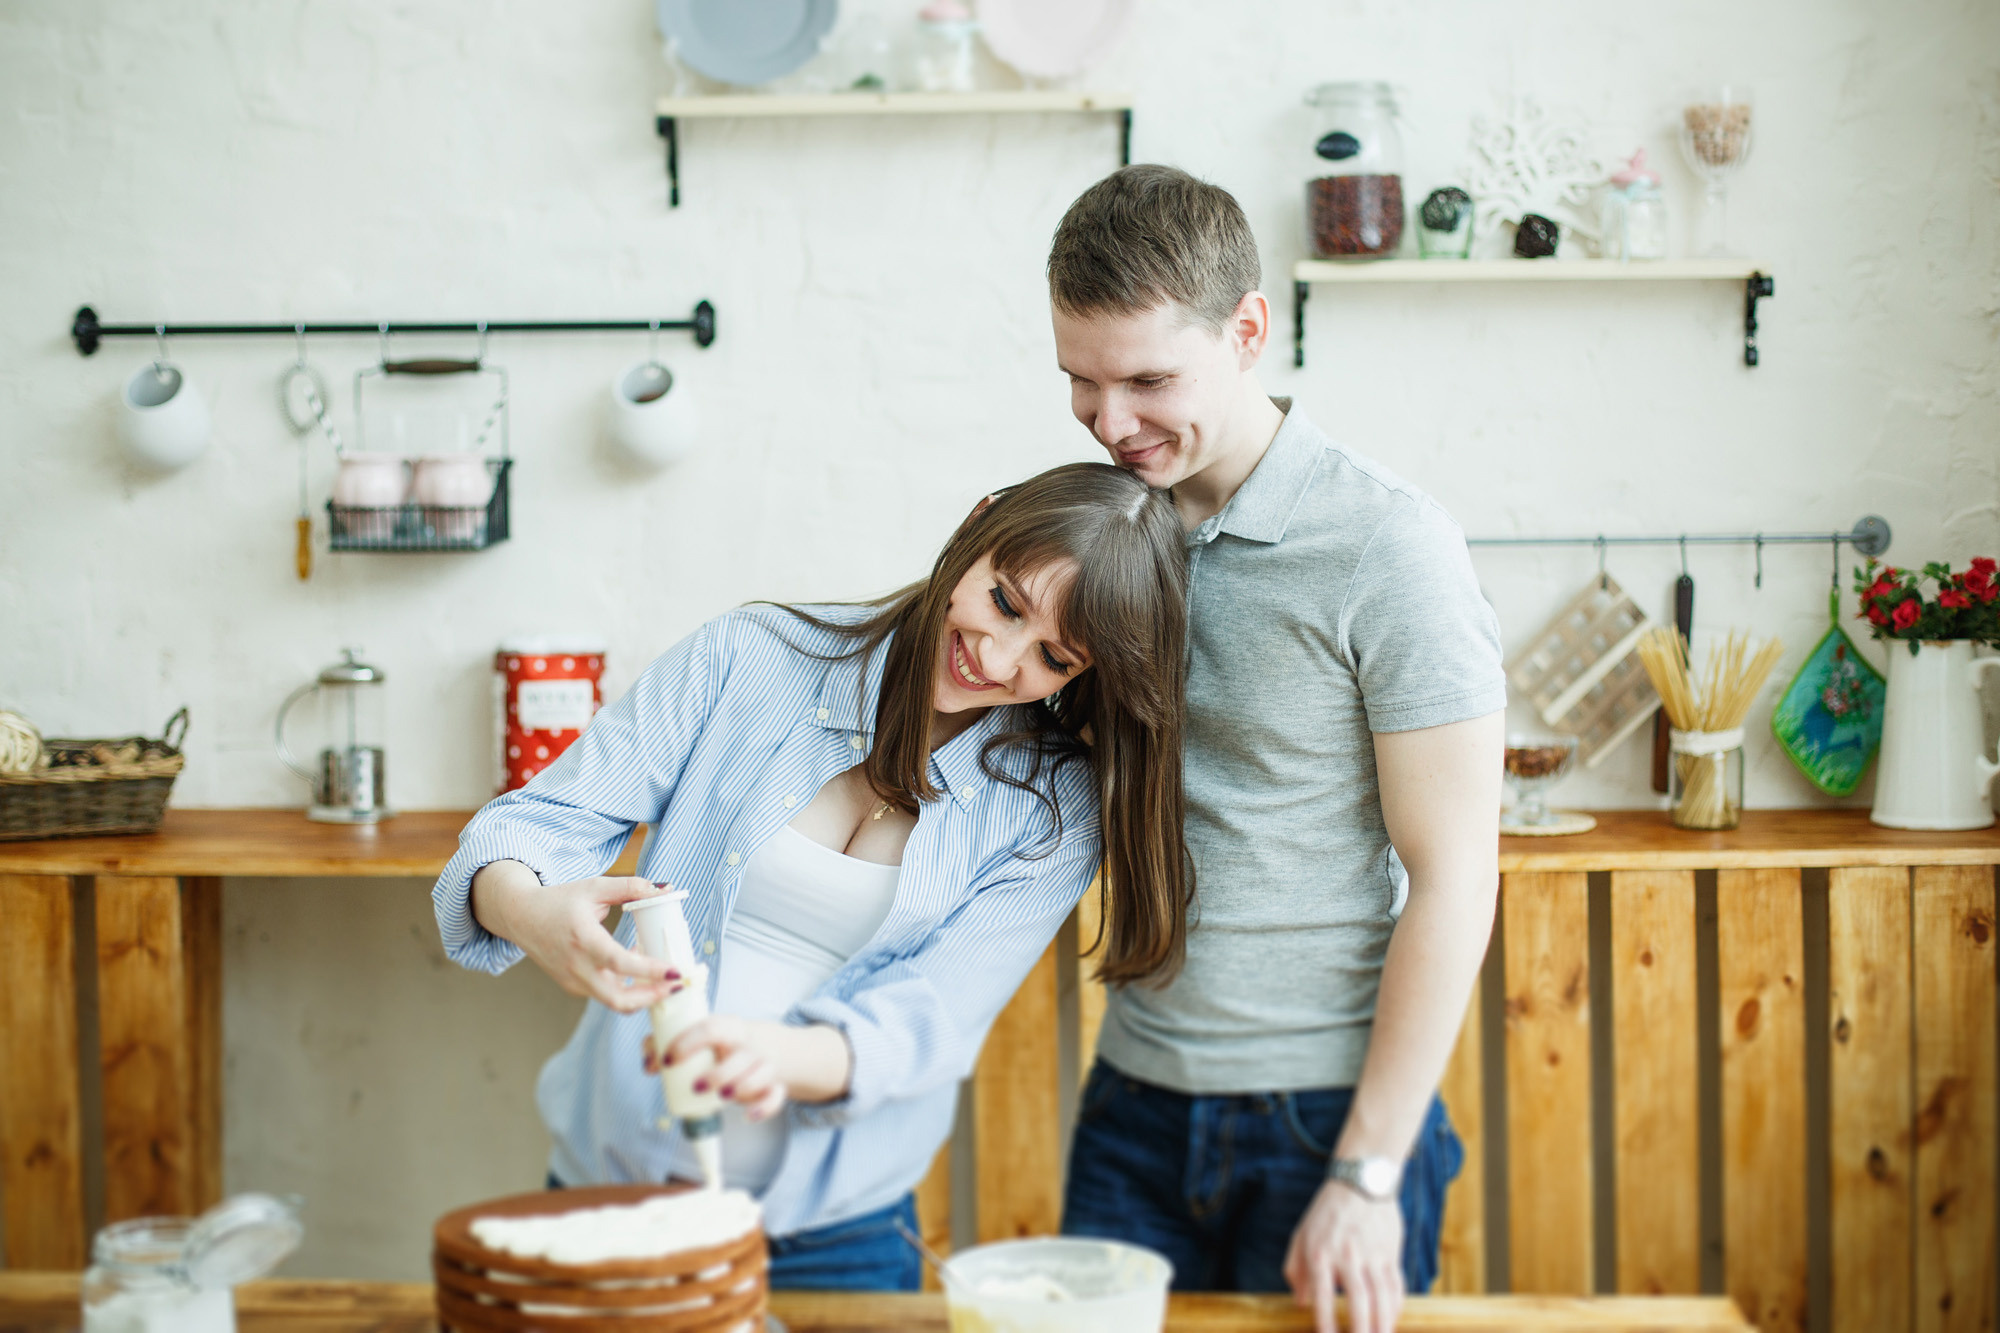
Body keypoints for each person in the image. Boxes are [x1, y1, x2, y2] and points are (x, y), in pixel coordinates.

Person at [432, 462, 1192, 1290]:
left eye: (1052, 657)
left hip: (841, 1240)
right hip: (611, 1198)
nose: (997, 657)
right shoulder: (752, 656)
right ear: (977, 526)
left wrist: (784, 1056)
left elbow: (934, 1014)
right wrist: (530, 910)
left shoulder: (1054, 807)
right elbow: (533, 825)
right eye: (1005, 602)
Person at [1050, 165, 1506, 1333]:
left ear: (1246, 330)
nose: (1110, 422)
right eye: (1080, 382)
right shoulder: (1105, 531)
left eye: (1147, 381)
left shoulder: (1387, 545)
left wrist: (1366, 1172)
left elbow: (1456, 877)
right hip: (1132, 1095)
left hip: (1323, 1118)